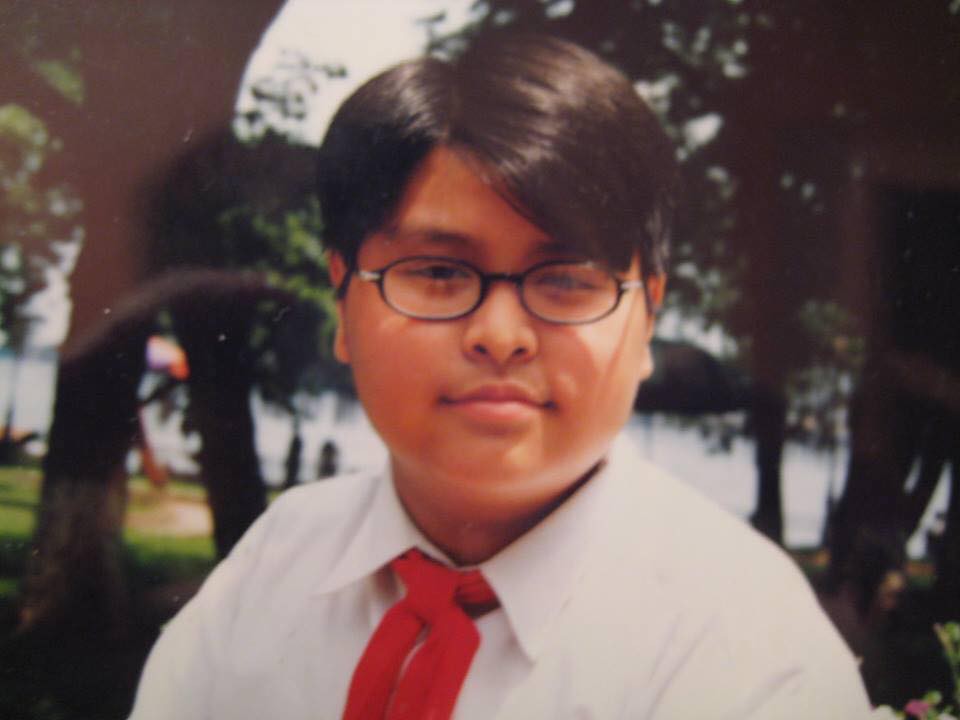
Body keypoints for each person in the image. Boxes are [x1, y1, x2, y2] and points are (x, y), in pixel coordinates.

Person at [128, 33, 874, 719]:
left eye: (567, 279)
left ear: (647, 316)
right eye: (438, 272)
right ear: (344, 301)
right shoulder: (272, 567)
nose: (500, 336)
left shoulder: (748, 655)